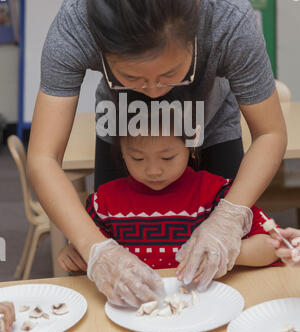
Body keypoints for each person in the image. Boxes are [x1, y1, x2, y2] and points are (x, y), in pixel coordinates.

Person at [27, 0, 287, 306]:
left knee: (226, 276)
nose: (153, 90)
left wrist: (228, 219)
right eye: (132, 77)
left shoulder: (229, 18)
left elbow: (270, 134)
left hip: (211, 128)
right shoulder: (76, 23)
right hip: (124, 130)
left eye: (169, 74)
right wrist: (95, 250)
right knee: (118, 270)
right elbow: (43, 157)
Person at [57, 112, 280, 307]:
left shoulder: (217, 194)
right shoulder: (105, 202)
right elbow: (87, 251)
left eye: (167, 157)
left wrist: (224, 252)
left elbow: (274, 246)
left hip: (204, 306)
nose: (153, 170)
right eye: (138, 157)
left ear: (190, 145)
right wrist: (76, 254)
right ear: (121, 151)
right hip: (135, 310)